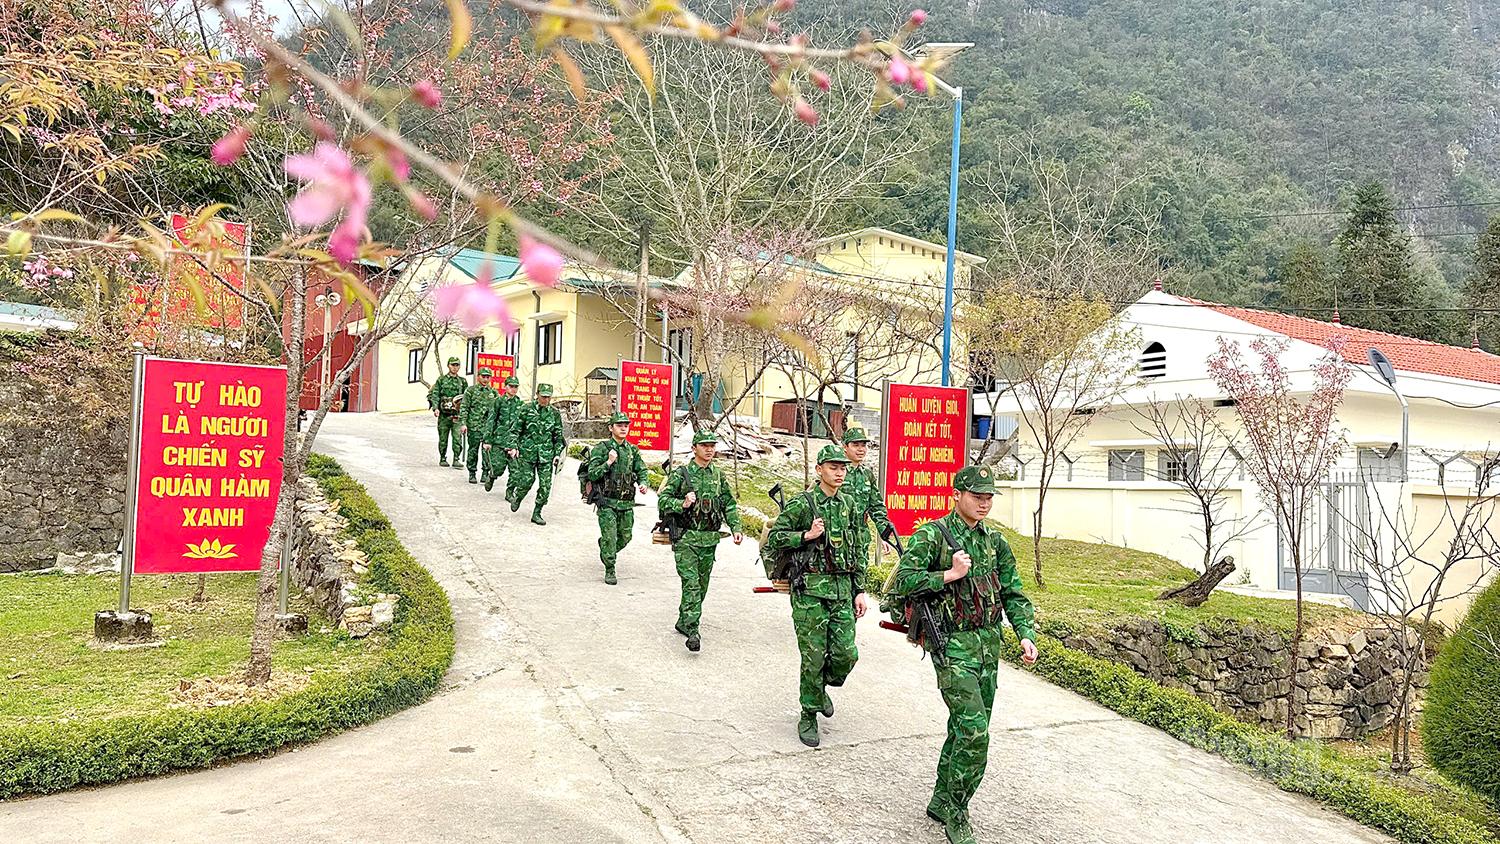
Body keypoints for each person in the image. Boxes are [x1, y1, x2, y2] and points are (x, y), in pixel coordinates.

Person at [889, 465, 1039, 844]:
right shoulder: (933, 535)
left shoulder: (995, 543)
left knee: (964, 728)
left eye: (989, 497)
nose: (984, 503)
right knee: (975, 732)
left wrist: (1025, 633)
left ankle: (942, 799)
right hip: (952, 646)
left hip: (989, 646)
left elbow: (1013, 593)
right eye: (978, 496)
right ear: (958, 494)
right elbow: (902, 582)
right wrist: (949, 576)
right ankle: (958, 809)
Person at [763, 444, 866, 748]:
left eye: (843, 467)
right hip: (809, 591)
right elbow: (776, 536)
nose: (839, 472)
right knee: (813, 657)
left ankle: (822, 689)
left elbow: (858, 549)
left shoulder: (851, 504)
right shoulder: (803, 504)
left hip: (842, 591)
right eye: (833, 467)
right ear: (819, 470)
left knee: (846, 654)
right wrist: (805, 536)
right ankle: (808, 713)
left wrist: (859, 590)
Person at [658, 430, 744, 652]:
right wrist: (682, 504)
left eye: (712, 445)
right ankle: (693, 630)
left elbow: (728, 503)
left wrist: (736, 527)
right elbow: (663, 501)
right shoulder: (681, 474)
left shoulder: (718, 475)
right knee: (692, 584)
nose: (709, 449)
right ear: (694, 448)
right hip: (686, 538)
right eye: (704, 445)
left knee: (702, 586)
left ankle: (683, 620)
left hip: (709, 539)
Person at [586, 411, 650, 585]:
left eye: (626, 425)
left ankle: (607, 549)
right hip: (607, 502)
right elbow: (592, 474)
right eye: (619, 425)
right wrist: (608, 462)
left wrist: (643, 482)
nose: (623, 428)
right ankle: (610, 568)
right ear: (611, 428)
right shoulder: (603, 448)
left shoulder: (632, 450)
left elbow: (641, 469)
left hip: (626, 503)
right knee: (610, 537)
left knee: (625, 537)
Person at [504, 383, 567, 525]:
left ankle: (537, 512)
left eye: (548, 397)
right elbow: (515, 431)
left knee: (545, 486)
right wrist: (513, 447)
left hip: (546, 455)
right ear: (537, 394)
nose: (545, 400)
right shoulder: (525, 409)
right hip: (528, 453)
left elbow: (558, 437)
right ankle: (518, 497)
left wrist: (557, 454)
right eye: (543, 396)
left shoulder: (554, 413)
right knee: (527, 481)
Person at [840, 427, 897, 568]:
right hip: (838, 535)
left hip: (860, 536)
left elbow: (876, 506)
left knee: (859, 574)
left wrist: (885, 534)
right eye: (855, 445)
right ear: (845, 447)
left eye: (863, 445)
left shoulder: (867, 474)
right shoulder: (836, 471)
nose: (860, 449)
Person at [480, 375, 523, 492]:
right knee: (498, 468)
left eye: (516, 387)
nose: (513, 389)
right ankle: (492, 476)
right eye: (511, 386)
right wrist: (487, 440)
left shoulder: (520, 404)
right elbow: (491, 420)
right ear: (505, 387)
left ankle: (509, 493)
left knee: (516, 471)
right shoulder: (498, 401)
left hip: (513, 443)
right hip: (499, 441)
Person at [427, 357, 467, 468]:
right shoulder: (441, 380)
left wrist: (465, 415)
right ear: (448, 365)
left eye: (457, 365)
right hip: (444, 415)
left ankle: (456, 459)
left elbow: (466, 399)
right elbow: (435, 394)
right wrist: (435, 408)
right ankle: (443, 458)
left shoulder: (462, 382)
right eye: (453, 365)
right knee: (443, 438)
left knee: (457, 438)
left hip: (456, 415)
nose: (455, 367)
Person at [460, 367, 498, 484]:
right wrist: (463, 423)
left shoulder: (493, 393)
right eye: (483, 376)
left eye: (488, 377)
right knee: (473, 450)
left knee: (487, 451)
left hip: (488, 428)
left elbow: (497, 411)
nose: (485, 379)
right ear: (478, 377)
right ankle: (472, 472)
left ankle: (485, 472)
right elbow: (464, 407)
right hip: (474, 426)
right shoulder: (470, 391)